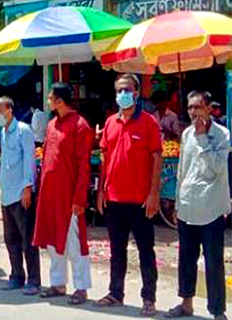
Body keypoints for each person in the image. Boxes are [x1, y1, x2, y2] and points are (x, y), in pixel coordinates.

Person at [96, 74, 162, 316]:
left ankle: (149, 299)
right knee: (117, 250)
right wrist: (101, 191)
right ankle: (115, 293)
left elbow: (156, 157)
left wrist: (154, 193)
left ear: (136, 93)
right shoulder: (111, 123)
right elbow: (104, 158)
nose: (123, 93)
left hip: (141, 200)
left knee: (146, 250)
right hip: (114, 198)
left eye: (127, 89)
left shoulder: (148, 123)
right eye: (119, 90)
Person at [166, 91, 230, 320]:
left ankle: (217, 311)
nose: (193, 112)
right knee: (186, 259)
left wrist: (203, 138)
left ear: (208, 109)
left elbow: (218, 168)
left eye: (198, 107)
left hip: (212, 208)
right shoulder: (186, 135)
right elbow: (182, 170)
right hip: (188, 206)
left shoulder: (222, 135)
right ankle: (186, 303)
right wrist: (176, 203)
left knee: (213, 262)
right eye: (190, 107)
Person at [33, 84, 94, 304]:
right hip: (49, 194)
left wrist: (79, 199)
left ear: (60, 101)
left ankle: (81, 287)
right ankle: (58, 283)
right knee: (52, 241)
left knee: (74, 242)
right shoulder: (50, 125)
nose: (48, 101)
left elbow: (84, 166)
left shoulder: (81, 126)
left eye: (50, 98)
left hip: (69, 196)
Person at [0, 96, 41, 295]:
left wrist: (27, 188)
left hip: (21, 194)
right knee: (11, 239)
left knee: (27, 240)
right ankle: (16, 276)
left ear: (9, 110)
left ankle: (34, 280)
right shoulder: (3, 132)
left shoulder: (23, 130)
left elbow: (29, 160)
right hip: (6, 194)